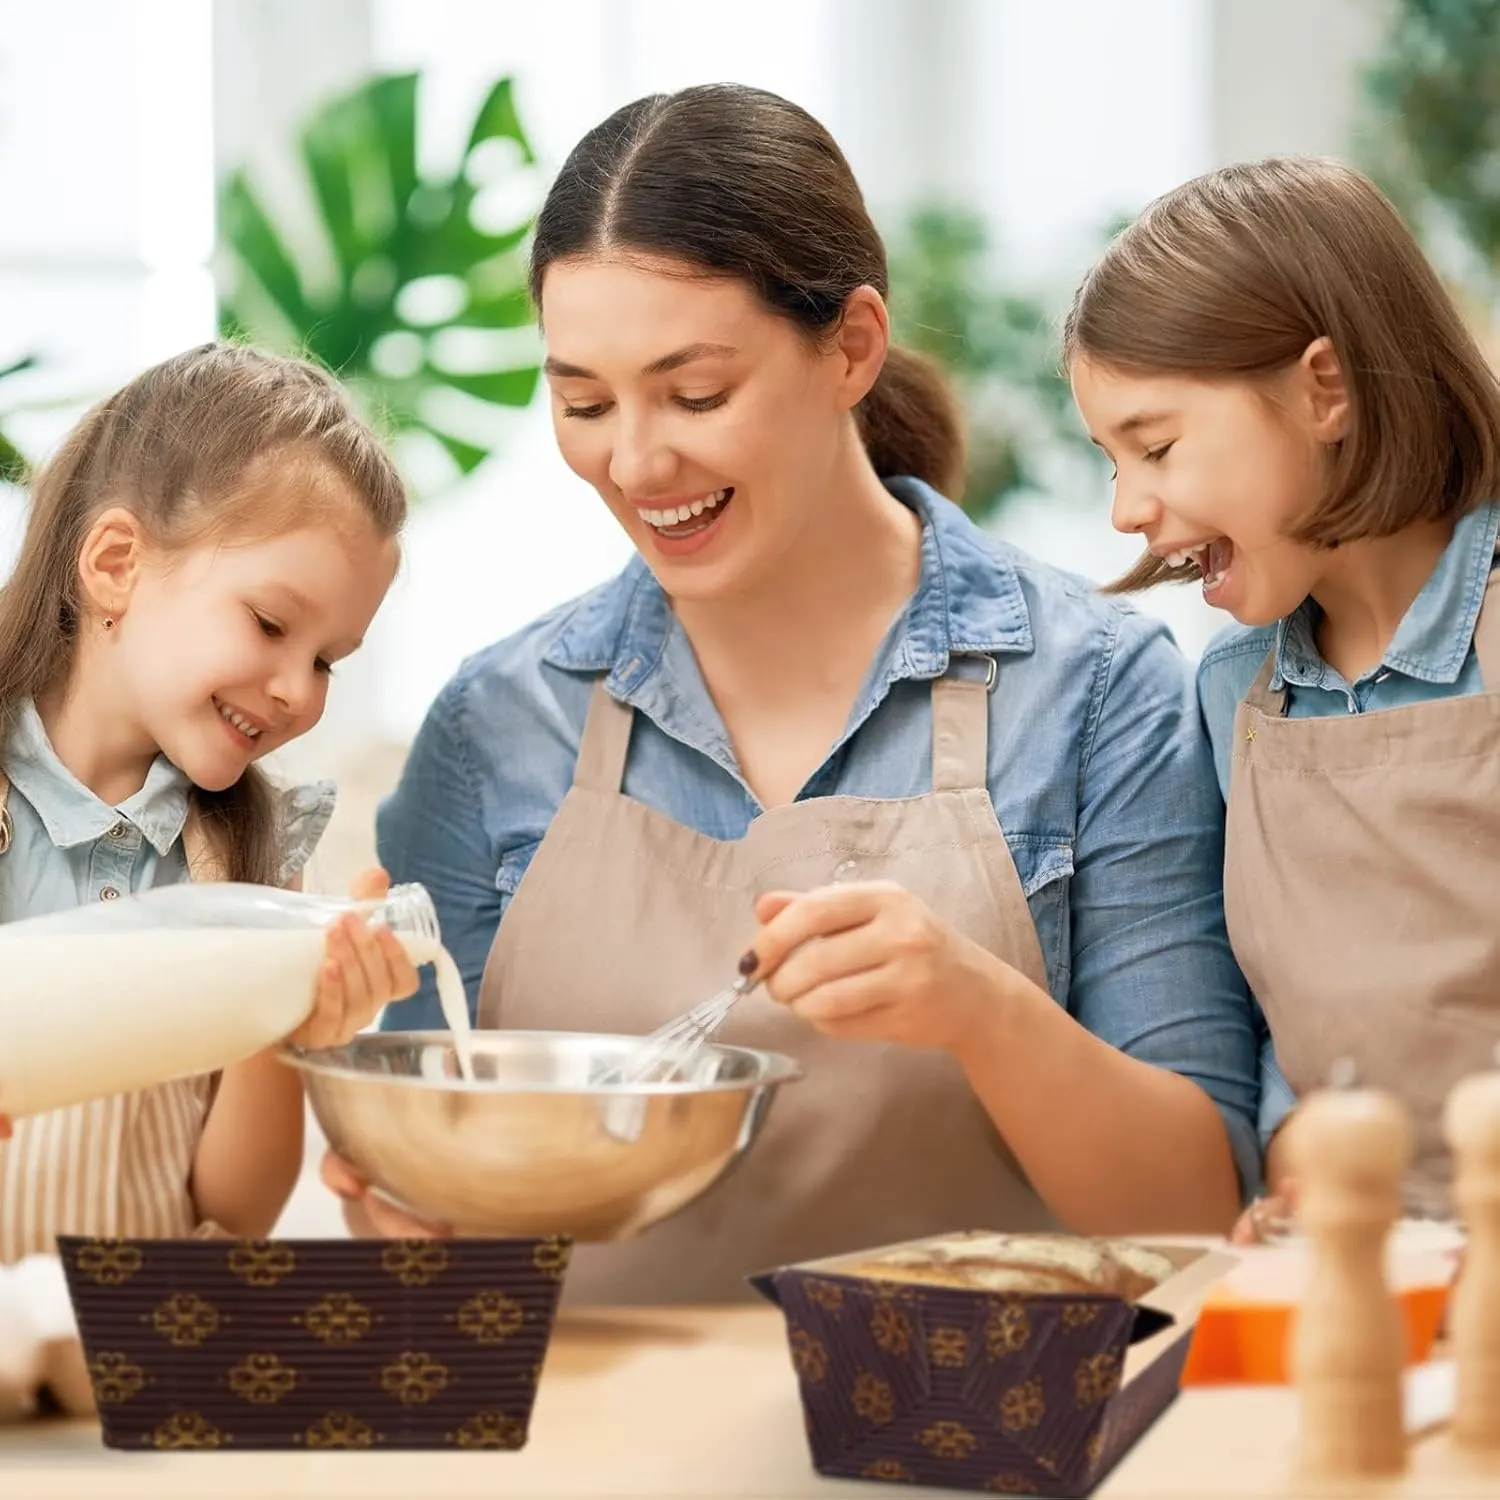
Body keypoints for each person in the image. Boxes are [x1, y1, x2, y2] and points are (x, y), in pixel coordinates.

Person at [327, 83, 1262, 1302]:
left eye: (697, 394)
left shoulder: (1093, 693)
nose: (638, 459)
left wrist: (984, 1012)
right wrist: (398, 1205)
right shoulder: (497, 726)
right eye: (584, 403)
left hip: (969, 1459)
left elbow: (1199, 1209)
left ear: (853, 348)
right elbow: (428, 1196)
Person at [1066, 156, 1500, 1232]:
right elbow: (1283, 1022)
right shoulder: (1234, 697)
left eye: (1156, 445)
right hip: (1362, 1280)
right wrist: (1284, 1146)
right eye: (1109, 463)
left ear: (1326, 388)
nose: (1128, 510)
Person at [0, 342, 420, 1263]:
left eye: (325, 661)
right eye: (271, 624)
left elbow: (234, 1212)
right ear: (116, 564)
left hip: (138, 1363)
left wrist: (283, 1021)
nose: (298, 693)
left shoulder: (251, 864)